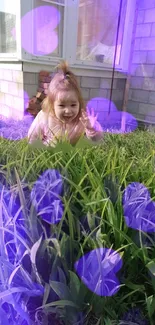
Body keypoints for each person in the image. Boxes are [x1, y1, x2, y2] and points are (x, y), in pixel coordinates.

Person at [27, 60, 103, 147]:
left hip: (72, 155)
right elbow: (32, 138)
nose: (68, 111)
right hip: (50, 152)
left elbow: (98, 141)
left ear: (79, 103)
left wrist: (91, 129)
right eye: (62, 105)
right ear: (52, 105)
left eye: (73, 105)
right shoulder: (45, 118)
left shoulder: (83, 120)